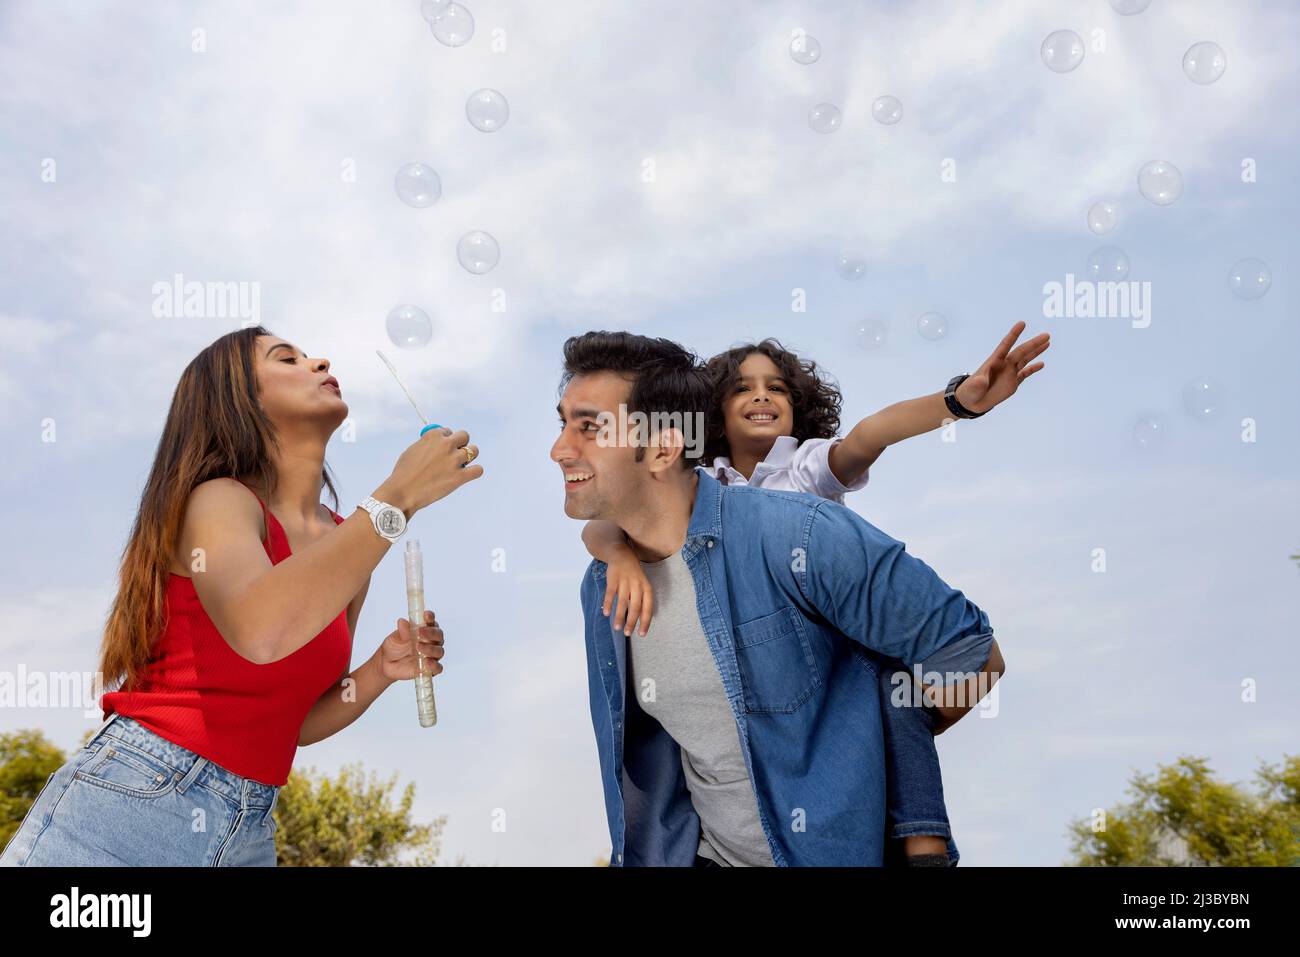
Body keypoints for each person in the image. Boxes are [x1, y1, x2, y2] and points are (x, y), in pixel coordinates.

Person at [0, 325, 481, 867]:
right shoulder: (218, 502)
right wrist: (397, 497)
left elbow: (294, 723)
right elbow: (260, 630)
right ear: (240, 402)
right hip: (135, 802)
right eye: (287, 358)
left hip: (249, 826)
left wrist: (380, 670)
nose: (320, 361)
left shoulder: (346, 539)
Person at [581, 321, 1047, 864]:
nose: (761, 395)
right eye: (742, 387)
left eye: (777, 387)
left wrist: (956, 403)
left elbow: (874, 433)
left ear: (798, 403)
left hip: (849, 653)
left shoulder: (806, 469)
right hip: (756, 716)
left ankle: (922, 840)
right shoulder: (703, 484)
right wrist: (618, 557)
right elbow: (603, 523)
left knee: (889, 699)